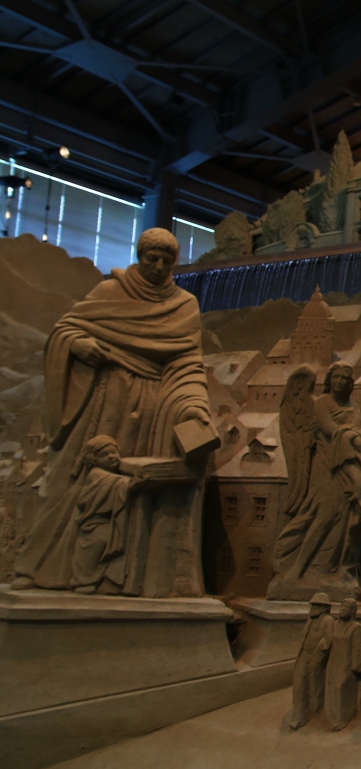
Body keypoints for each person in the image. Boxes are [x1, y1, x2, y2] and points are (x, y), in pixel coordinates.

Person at [13, 228, 212, 597]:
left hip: (152, 407)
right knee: (71, 481)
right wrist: (79, 345)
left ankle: (114, 579)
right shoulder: (109, 292)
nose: (158, 266)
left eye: (166, 261)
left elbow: (186, 364)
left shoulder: (184, 305)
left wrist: (192, 406)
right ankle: (38, 568)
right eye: (151, 258)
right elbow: (64, 331)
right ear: (139, 256)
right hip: (101, 397)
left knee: (128, 490)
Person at [269, 362, 361, 601]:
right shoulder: (321, 403)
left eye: (344, 378)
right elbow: (329, 427)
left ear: (350, 383)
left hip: (348, 465)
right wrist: (351, 437)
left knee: (347, 517)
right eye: (336, 377)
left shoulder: (354, 406)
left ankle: (331, 570)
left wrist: (355, 438)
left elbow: (359, 431)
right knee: (323, 515)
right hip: (326, 467)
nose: (340, 382)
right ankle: (296, 569)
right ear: (329, 380)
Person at [66, 436, 139, 593]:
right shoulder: (96, 473)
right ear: (94, 460)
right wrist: (134, 481)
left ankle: (101, 580)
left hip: (107, 522)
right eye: (104, 455)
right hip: (94, 523)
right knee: (90, 552)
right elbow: (117, 482)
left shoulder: (112, 475)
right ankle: (83, 581)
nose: (111, 456)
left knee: (103, 549)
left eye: (113, 452)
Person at [288, 593, 334, 730]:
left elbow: (328, 640)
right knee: (299, 685)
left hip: (316, 656)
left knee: (315, 685)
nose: (312, 608)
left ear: (323, 607)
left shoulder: (328, 620)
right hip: (304, 655)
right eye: (312, 605)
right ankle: (299, 716)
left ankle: (315, 711)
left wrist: (318, 654)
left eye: (316, 605)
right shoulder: (311, 618)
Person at [325, 597, 361, 730]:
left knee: (341, 688)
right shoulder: (335, 624)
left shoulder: (356, 628)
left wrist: (356, 668)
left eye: (345, 608)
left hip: (346, 665)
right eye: (341, 607)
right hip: (333, 662)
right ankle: (331, 717)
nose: (342, 610)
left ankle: (342, 718)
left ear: (352, 611)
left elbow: (356, 650)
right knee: (330, 688)